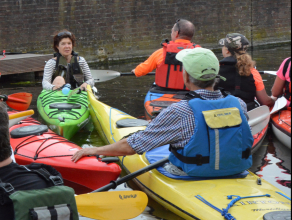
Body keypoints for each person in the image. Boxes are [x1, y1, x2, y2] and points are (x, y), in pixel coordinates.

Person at [73, 48, 253, 179]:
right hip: (237, 170)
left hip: (191, 173)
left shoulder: (180, 111)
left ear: (187, 77)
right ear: (216, 76)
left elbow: (132, 147)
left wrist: (94, 150)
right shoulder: (239, 104)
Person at [133, 19, 199, 91]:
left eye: (172, 31)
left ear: (176, 33)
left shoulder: (160, 53)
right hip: (189, 94)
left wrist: (135, 71)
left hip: (162, 93)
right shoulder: (200, 53)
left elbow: (140, 71)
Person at [217, 33, 273, 110]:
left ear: (227, 51)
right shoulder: (252, 72)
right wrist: (274, 99)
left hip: (221, 113)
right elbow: (265, 102)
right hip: (247, 113)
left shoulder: (216, 70)